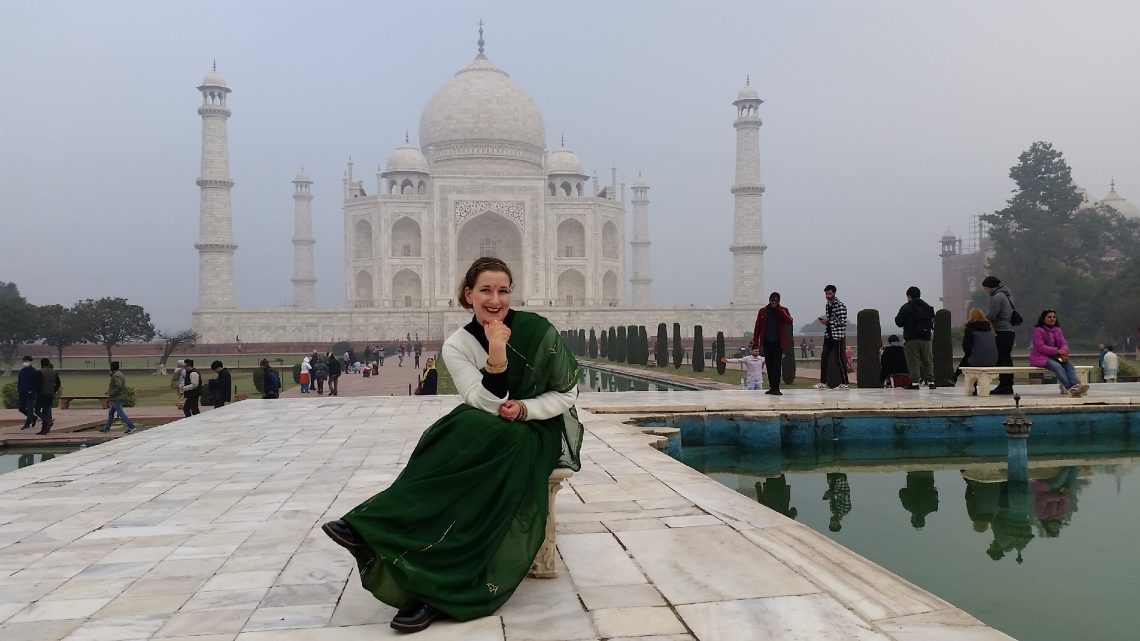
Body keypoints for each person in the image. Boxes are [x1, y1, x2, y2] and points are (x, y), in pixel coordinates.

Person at [320, 257, 583, 633]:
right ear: (468, 294)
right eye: (486, 290)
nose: (495, 299)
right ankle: (425, 586)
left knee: (480, 439)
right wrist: (496, 353)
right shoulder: (457, 344)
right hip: (487, 424)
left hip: (534, 428)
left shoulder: (537, 330)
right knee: (450, 435)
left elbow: (567, 392)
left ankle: (373, 525)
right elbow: (486, 402)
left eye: (503, 290)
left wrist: (526, 408)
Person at [1030, 309, 1088, 396]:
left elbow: (1063, 343)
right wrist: (1057, 351)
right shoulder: (1038, 330)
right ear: (1043, 319)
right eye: (1049, 317)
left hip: (1056, 357)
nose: (1052, 319)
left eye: (1054, 317)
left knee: (1069, 365)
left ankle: (1075, 386)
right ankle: (1072, 388)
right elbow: (1040, 347)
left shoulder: (1057, 330)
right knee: (1057, 367)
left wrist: (1064, 351)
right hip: (1041, 357)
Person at [749, 292, 793, 395]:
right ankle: (772, 387)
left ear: (778, 301)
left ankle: (776, 388)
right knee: (769, 365)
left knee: (777, 365)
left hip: (778, 342)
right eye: (772, 300)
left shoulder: (783, 310)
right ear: (769, 300)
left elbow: (789, 321)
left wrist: (779, 309)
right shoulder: (763, 311)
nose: (774, 302)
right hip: (767, 342)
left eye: (776, 301)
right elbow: (757, 327)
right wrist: (755, 342)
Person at [894, 286, 936, 390]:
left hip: (911, 338)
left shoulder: (906, 307)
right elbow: (932, 320)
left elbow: (898, 322)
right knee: (928, 360)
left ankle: (915, 383)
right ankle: (931, 381)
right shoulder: (928, 307)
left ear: (909, 296)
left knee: (913, 361)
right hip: (926, 338)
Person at [982, 276, 1017, 395]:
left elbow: (992, 315)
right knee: (1006, 358)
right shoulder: (1008, 294)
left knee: (1002, 359)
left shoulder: (997, 297)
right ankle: (1008, 384)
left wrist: (983, 318)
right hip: (1009, 331)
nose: (986, 291)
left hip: (1002, 331)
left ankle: (1004, 385)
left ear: (989, 287)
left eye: (985, 288)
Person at [813, 285, 850, 390]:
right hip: (829, 335)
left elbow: (842, 322)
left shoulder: (840, 305)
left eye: (829, 293)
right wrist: (826, 321)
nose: (827, 296)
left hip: (837, 336)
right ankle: (823, 382)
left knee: (840, 359)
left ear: (834, 293)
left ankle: (845, 383)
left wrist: (828, 321)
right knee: (824, 358)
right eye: (826, 294)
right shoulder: (828, 305)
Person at [954, 308, 999, 394]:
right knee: (972, 356)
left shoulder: (970, 328)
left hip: (977, 360)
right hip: (993, 361)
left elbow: (966, 347)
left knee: (969, 356)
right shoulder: (989, 327)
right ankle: (955, 376)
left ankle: (955, 377)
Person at [101, 361, 136, 434]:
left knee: (121, 413)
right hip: (118, 397)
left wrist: (111, 393)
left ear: (112, 367)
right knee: (111, 413)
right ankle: (107, 428)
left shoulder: (115, 376)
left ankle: (131, 426)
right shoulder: (120, 374)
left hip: (117, 397)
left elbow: (118, 386)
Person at [35, 358, 61, 434]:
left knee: (37, 410)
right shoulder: (54, 372)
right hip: (50, 394)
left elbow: (38, 384)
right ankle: (44, 429)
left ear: (41, 364)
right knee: (46, 411)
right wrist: (54, 390)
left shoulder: (40, 372)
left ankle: (48, 421)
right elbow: (58, 383)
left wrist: (37, 393)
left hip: (42, 394)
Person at [17, 356, 39, 430]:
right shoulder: (22, 371)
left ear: (30, 362)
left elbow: (36, 383)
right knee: (21, 408)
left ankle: (27, 424)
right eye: (24, 361)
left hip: (30, 393)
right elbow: (20, 381)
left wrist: (32, 390)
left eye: (27, 361)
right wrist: (19, 389)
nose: (25, 362)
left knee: (30, 409)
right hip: (22, 392)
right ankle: (34, 418)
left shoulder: (34, 371)